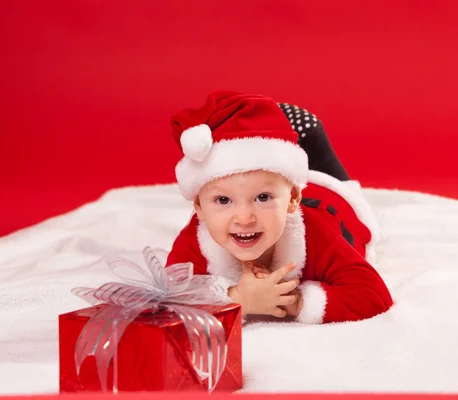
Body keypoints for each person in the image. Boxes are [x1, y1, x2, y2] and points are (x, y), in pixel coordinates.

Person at [164, 90, 393, 324]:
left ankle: (307, 135)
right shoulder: (196, 239)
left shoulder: (316, 234)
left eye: (262, 198)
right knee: (273, 177)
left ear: (294, 198)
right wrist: (237, 299)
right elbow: (169, 297)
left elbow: (373, 296)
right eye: (223, 200)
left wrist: (292, 301)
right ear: (199, 208)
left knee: (341, 183)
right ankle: (275, 138)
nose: (244, 218)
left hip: (329, 197)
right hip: (289, 185)